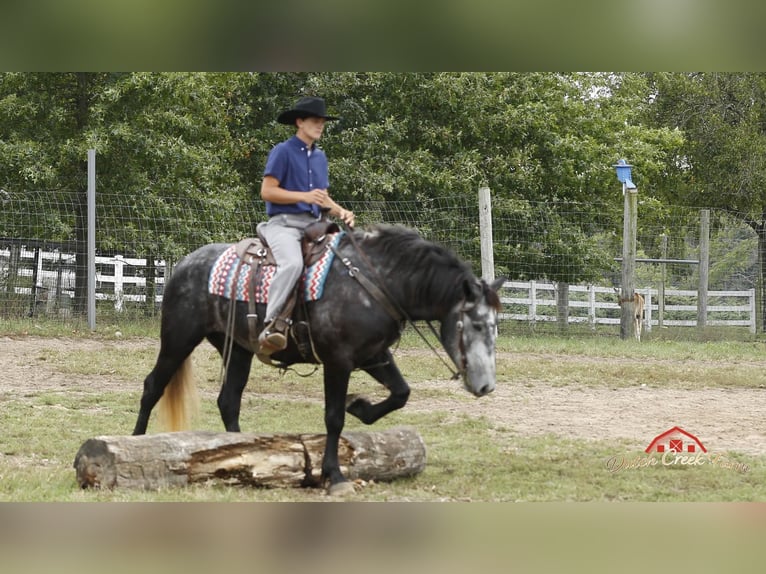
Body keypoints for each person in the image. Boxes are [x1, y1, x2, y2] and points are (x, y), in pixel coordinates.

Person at [258, 96, 355, 353]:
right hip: (284, 225)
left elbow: (321, 197)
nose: (320, 126)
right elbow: (267, 192)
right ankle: (272, 324)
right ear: (299, 122)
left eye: (322, 122)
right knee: (292, 263)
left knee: (347, 260)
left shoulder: (320, 157)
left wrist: (341, 211)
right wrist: (303, 196)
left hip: (315, 226)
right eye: (315, 121)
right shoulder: (282, 151)